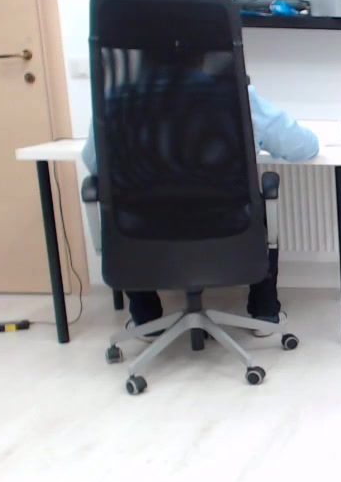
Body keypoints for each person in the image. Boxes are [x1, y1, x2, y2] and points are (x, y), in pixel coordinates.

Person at [82, 84, 319, 334]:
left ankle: (146, 320)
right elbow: (303, 147)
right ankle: (265, 314)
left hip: (146, 236)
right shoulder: (235, 93)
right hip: (226, 232)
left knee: (123, 207)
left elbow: (94, 162)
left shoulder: (115, 99)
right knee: (260, 206)